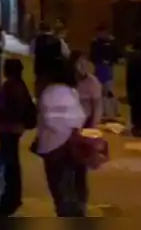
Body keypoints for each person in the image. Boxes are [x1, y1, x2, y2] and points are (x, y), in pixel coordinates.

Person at [36, 60, 88, 217]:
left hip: (54, 148)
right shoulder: (71, 92)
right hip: (72, 145)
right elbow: (80, 117)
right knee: (74, 188)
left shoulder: (49, 92)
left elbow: (49, 119)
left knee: (60, 192)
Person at [0, 58, 36, 215]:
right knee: (12, 162)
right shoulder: (19, 85)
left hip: (8, 128)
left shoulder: (11, 86)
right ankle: (14, 196)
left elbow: (4, 106)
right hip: (14, 128)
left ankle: (11, 198)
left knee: (10, 164)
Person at [89, 24, 121, 121]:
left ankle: (115, 110)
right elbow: (92, 56)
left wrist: (110, 61)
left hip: (108, 68)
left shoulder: (112, 42)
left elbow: (117, 55)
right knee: (100, 90)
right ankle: (103, 111)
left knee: (109, 90)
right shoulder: (95, 43)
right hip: (98, 67)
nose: (100, 34)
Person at [31, 22, 69, 98]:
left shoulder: (36, 40)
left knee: (40, 95)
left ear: (39, 29)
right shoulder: (58, 41)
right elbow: (67, 54)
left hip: (40, 72)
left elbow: (31, 52)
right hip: (53, 73)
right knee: (52, 95)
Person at [71, 51, 103, 128]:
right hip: (70, 121)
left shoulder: (92, 81)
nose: (83, 66)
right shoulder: (67, 81)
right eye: (79, 63)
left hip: (87, 122)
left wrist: (94, 126)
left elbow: (97, 106)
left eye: (85, 63)